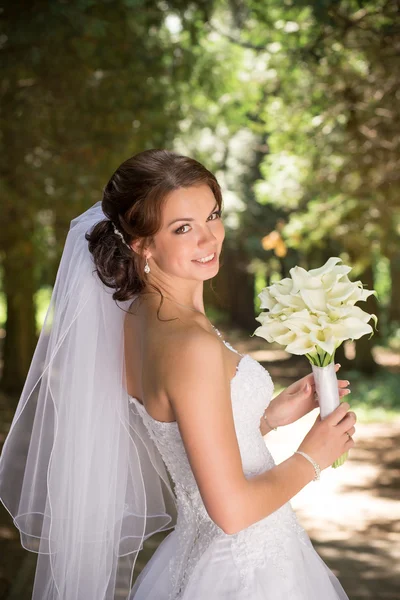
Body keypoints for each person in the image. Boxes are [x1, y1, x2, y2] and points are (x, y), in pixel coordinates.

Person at [0, 149, 356, 600]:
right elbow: (232, 511)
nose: (209, 239)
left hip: (199, 557)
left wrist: (264, 419)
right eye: (183, 228)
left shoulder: (140, 319)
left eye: (212, 216)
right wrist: (313, 456)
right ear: (141, 243)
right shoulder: (190, 344)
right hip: (247, 570)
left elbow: (182, 429)